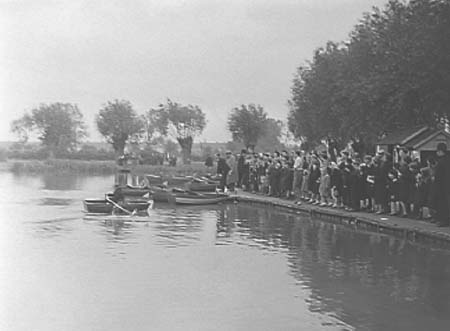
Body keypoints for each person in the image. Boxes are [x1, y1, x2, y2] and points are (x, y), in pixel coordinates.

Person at [432, 143, 450, 227]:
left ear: (440, 151)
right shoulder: (447, 160)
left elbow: (438, 175)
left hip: (441, 185)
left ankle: (443, 220)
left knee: (442, 203)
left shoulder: (440, 162)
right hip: (447, 184)